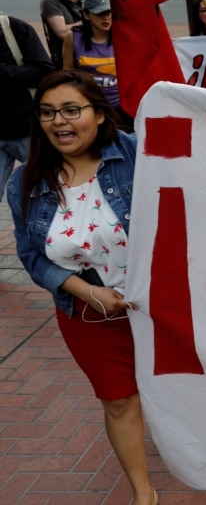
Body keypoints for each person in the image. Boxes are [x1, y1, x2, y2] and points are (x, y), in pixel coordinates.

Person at [8, 69, 158, 505]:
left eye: (72, 110)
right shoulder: (24, 183)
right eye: (48, 113)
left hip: (162, 306)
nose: (60, 122)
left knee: (188, 391)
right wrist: (85, 291)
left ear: (98, 113)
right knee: (119, 402)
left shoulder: (137, 153)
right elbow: (32, 257)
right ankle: (144, 494)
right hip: (90, 314)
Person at [0, 12, 55, 198]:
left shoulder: (15, 29)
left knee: (45, 192)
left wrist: (4, 71)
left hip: (27, 129)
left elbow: (44, 71)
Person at [62, 0, 129, 130]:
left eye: (108, 13)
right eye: (100, 14)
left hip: (119, 107)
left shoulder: (121, 37)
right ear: (86, 15)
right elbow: (67, 74)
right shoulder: (73, 37)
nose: (106, 18)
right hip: (89, 106)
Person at [40, 0, 88, 67]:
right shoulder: (52, 2)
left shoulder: (83, 5)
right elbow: (61, 32)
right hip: (63, 61)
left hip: (84, 58)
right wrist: (87, 21)